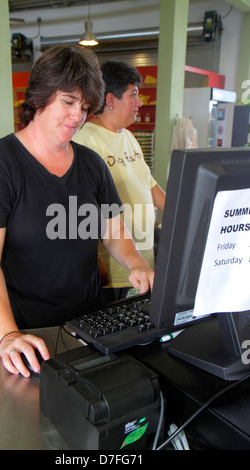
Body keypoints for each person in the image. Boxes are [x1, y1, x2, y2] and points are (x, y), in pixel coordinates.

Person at [0, 45, 154, 378]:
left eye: (84, 107)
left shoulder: (91, 164)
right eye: (68, 102)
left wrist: (136, 262)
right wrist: (7, 334)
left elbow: (112, 231)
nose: (76, 117)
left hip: (88, 320)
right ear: (40, 95)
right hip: (28, 329)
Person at [73, 60, 166, 304]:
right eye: (133, 95)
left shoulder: (129, 137)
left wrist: (192, 213)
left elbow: (151, 187)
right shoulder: (85, 142)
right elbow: (80, 211)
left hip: (141, 261)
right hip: (115, 269)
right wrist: (96, 261)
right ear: (111, 99)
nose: (140, 102)